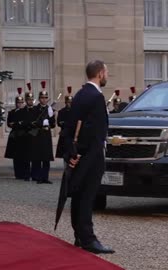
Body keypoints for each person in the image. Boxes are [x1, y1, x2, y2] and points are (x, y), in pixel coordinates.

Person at [63, 60, 114, 254]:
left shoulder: (81, 93)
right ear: (100, 73)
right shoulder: (95, 96)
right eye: (106, 72)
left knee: (79, 194)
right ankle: (88, 238)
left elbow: (72, 126)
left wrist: (73, 152)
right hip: (91, 154)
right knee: (87, 196)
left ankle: (79, 235)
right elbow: (95, 132)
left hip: (82, 153)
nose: (107, 75)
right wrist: (86, 154)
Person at [30, 82, 55, 184]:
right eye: (42, 97)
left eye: (45, 98)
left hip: (46, 135)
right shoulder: (35, 109)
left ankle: (45, 177)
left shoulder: (49, 109)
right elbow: (33, 122)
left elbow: (53, 124)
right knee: (37, 157)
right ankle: (37, 176)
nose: (44, 99)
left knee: (46, 157)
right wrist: (41, 123)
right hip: (38, 135)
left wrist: (49, 121)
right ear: (39, 99)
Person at [4, 87, 26, 179]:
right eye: (18, 103)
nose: (20, 104)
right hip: (15, 135)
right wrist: (17, 124)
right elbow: (9, 123)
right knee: (15, 156)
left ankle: (24, 173)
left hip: (23, 135)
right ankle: (17, 174)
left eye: (21, 103)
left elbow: (24, 123)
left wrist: (17, 123)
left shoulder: (25, 112)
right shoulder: (12, 112)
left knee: (23, 156)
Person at [56, 86, 73, 164]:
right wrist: (66, 123)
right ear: (65, 102)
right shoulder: (61, 112)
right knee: (65, 154)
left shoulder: (75, 112)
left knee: (72, 154)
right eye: (68, 102)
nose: (69, 104)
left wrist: (66, 123)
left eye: (71, 102)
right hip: (64, 135)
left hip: (72, 135)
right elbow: (59, 122)